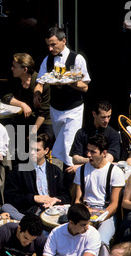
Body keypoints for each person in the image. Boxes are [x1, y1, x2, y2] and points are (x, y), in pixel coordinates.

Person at [33, 26, 91, 171]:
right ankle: (63, 175)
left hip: (74, 108)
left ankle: (71, 175)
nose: (50, 48)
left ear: (63, 41)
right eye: (48, 45)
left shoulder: (77, 58)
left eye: (53, 44)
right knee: (61, 143)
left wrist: (69, 81)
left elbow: (85, 87)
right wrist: (37, 94)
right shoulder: (47, 60)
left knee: (68, 144)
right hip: (56, 108)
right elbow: (40, 82)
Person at [1, 133, 71, 221]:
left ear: (46, 151)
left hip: (52, 211)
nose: (32, 152)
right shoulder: (18, 171)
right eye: (31, 149)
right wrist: (33, 198)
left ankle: (31, 224)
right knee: (5, 208)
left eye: (37, 150)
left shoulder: (55, 171)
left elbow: (66, 196)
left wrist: (55, 200)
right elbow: (10, 197)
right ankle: (31, 223)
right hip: (30, 211)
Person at [74, 134, 125, 245]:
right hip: (85, 211)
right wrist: (83, 217)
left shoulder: (115, 172)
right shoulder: (81, 170)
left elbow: (114, 204)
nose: (88, 155)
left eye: (93, 152)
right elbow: (78, 199)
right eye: (88, 151)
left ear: (104, 153)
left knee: (100, 241)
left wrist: (99, 219)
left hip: (106, 214)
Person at [2, 52, 53, 141]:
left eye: (14, 66)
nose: (11, 68)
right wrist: (22, 104)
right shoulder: (15, 80)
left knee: (39, 141)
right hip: (24, 120)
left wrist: (32, 132)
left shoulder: (42, 83)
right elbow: (6, 97)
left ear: (25, 69)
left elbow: (43, 112)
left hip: (41, 122)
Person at [67, 100, 121, 175]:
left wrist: (83, 165)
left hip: (103, 172)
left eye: (109, 116)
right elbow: (75, 159)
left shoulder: (113, 134)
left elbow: (109, 159)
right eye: (103, 117)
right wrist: (92, 161)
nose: (107, 120)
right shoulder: (82, 132)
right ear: (94, 114)